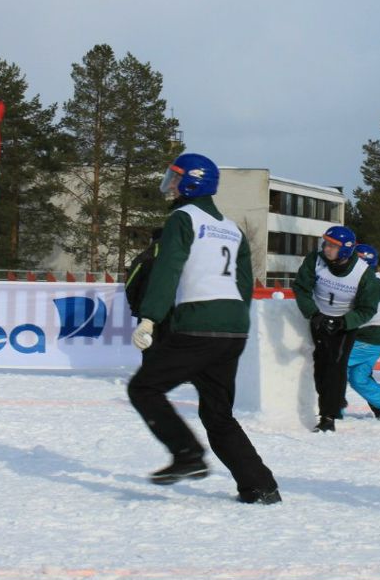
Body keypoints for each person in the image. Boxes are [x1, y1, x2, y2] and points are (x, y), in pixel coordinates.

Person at [126, 153, 280, 504]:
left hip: (198, 325)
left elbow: (168, 270)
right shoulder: (231, 227)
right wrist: (232, 318)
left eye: (175, 177)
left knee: (144, 388)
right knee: (217, 413)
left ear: (193, 182)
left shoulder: (182, 218)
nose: (170, 183)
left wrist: (150, 316)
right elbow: (244, 286)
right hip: (233, 328)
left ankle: (187, 455)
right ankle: (260, 485)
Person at [293, 225, 380, 432]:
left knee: (336, 366)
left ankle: (329, 416)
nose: (327, 248)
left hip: (344, 325)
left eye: (333, 246)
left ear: (345, 249)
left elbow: (367, 308)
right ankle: (335, 400)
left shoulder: (363, 273)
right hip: (319, 318)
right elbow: (301, 287)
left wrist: (345, 322)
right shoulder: (315, 260)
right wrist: (313, 313)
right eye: (326, 243)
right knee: (321, 365)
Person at [346, 245, 380, 419]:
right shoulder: (369, 278)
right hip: (373, 335)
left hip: (372, 336)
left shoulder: (372, 283)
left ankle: (331, 408)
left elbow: (361, 312)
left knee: (336, 365)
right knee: (358, 377)